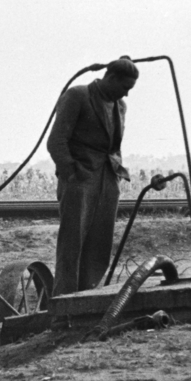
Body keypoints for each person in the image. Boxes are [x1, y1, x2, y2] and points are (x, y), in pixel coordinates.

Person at [46, 56, 139, 295]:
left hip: (108, 180)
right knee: (72, 244)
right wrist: (72, 173)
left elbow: (114, 145)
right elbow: (56, 141)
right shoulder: (77, 96)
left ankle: (89, 298)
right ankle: (65, 302)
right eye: (124, 88)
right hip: (80, 180)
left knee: (100, 243)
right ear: (110, 77)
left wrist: (115, 175)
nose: (126, 94)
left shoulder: (121, 106)